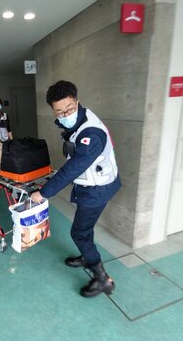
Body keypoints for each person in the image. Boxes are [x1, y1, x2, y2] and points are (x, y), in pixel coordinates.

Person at [31, 80, 121, 298]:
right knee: (84, 230)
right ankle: (86, 255)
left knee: (79, 233)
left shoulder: (91, 133)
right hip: (92, 184)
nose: (65, 115)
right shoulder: (79, 120)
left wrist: (43, 193)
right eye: (59, 112)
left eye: (69, 109)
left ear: (77, 102)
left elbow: (73, 168)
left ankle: (102, 280)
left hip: (97, 189)